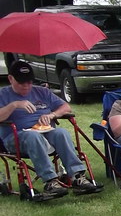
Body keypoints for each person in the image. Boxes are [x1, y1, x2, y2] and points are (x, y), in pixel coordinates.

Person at [0, 60, 103, 198]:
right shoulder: (3, 94)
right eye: (21, 83)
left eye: (29, 82)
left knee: (61, 132)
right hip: (15, 138)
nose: (26, 86)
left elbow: (66, 107)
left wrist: (51, 115)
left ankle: (77, 177)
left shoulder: (42, 92)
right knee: (33, 137)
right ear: (10, 79)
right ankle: (50, 182)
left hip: (45, 133)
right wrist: (14, 105)